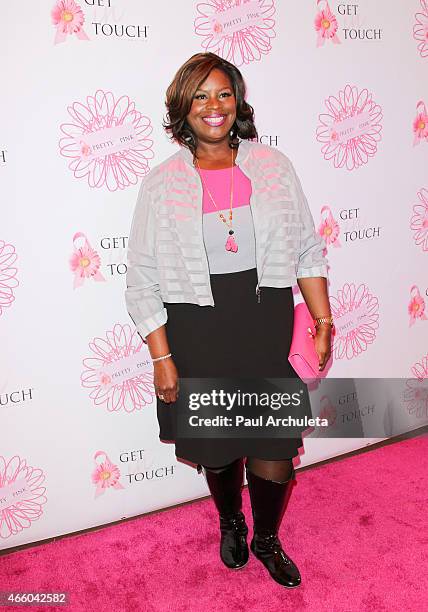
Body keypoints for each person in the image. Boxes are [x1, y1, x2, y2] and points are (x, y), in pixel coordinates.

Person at [125, 52, 332, 589]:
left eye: (222, 93)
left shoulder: (273, 166)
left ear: (237, 100)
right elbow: (142, 277)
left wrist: (322, 316)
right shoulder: (161, 184)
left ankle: (266, 537)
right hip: (197, 326)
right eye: (200, 96)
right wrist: (162, 357)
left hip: (263, 320)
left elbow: (307, 248)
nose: (213, 106)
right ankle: (231, 521)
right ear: (183, 108)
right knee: (217, 447)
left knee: (275, 451)